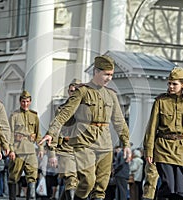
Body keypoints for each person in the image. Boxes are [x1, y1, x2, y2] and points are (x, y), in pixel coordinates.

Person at [39, 55, 131, 200]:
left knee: (101, 187)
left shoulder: (111, 95)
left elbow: (119, 121)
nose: (109, 78)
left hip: (105, 145)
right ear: (96, 72)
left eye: (111, 75)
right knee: (88, 181)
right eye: (106, 74)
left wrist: (126, 143)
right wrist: (51, 132)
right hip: (84, 143)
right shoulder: (82, 92)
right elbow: (65, 113)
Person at [143, 67, 183, 200]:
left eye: (175, 84)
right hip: (163, 148)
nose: (171, 86)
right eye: (169, 83)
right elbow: (151, 128)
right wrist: (149, 151)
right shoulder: (160, 102)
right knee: (168, 185)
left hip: (182, 150)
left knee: (180, 190)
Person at [8, 90, 44, 200]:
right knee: (13, 177)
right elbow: (10, 134)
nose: (25, 104)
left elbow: (38, 134)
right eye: (23, 101)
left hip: (31, 151)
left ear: (30, 102)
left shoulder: (34, 116)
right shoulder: (14, 116)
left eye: (28, 101)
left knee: (32, 178)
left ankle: (31, 198)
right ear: (20, 102)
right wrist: (11, 150)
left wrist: (41, 148)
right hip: (18, 151)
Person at [51, 79, 81, 200]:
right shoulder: (61, 110)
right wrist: (52, 153)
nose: (73, 93)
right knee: (71, 179)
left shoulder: (87, 109)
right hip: (66, 149)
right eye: (71, 91)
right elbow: (55, 129)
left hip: (82, 150)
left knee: (80, 183)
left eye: (76, 91)